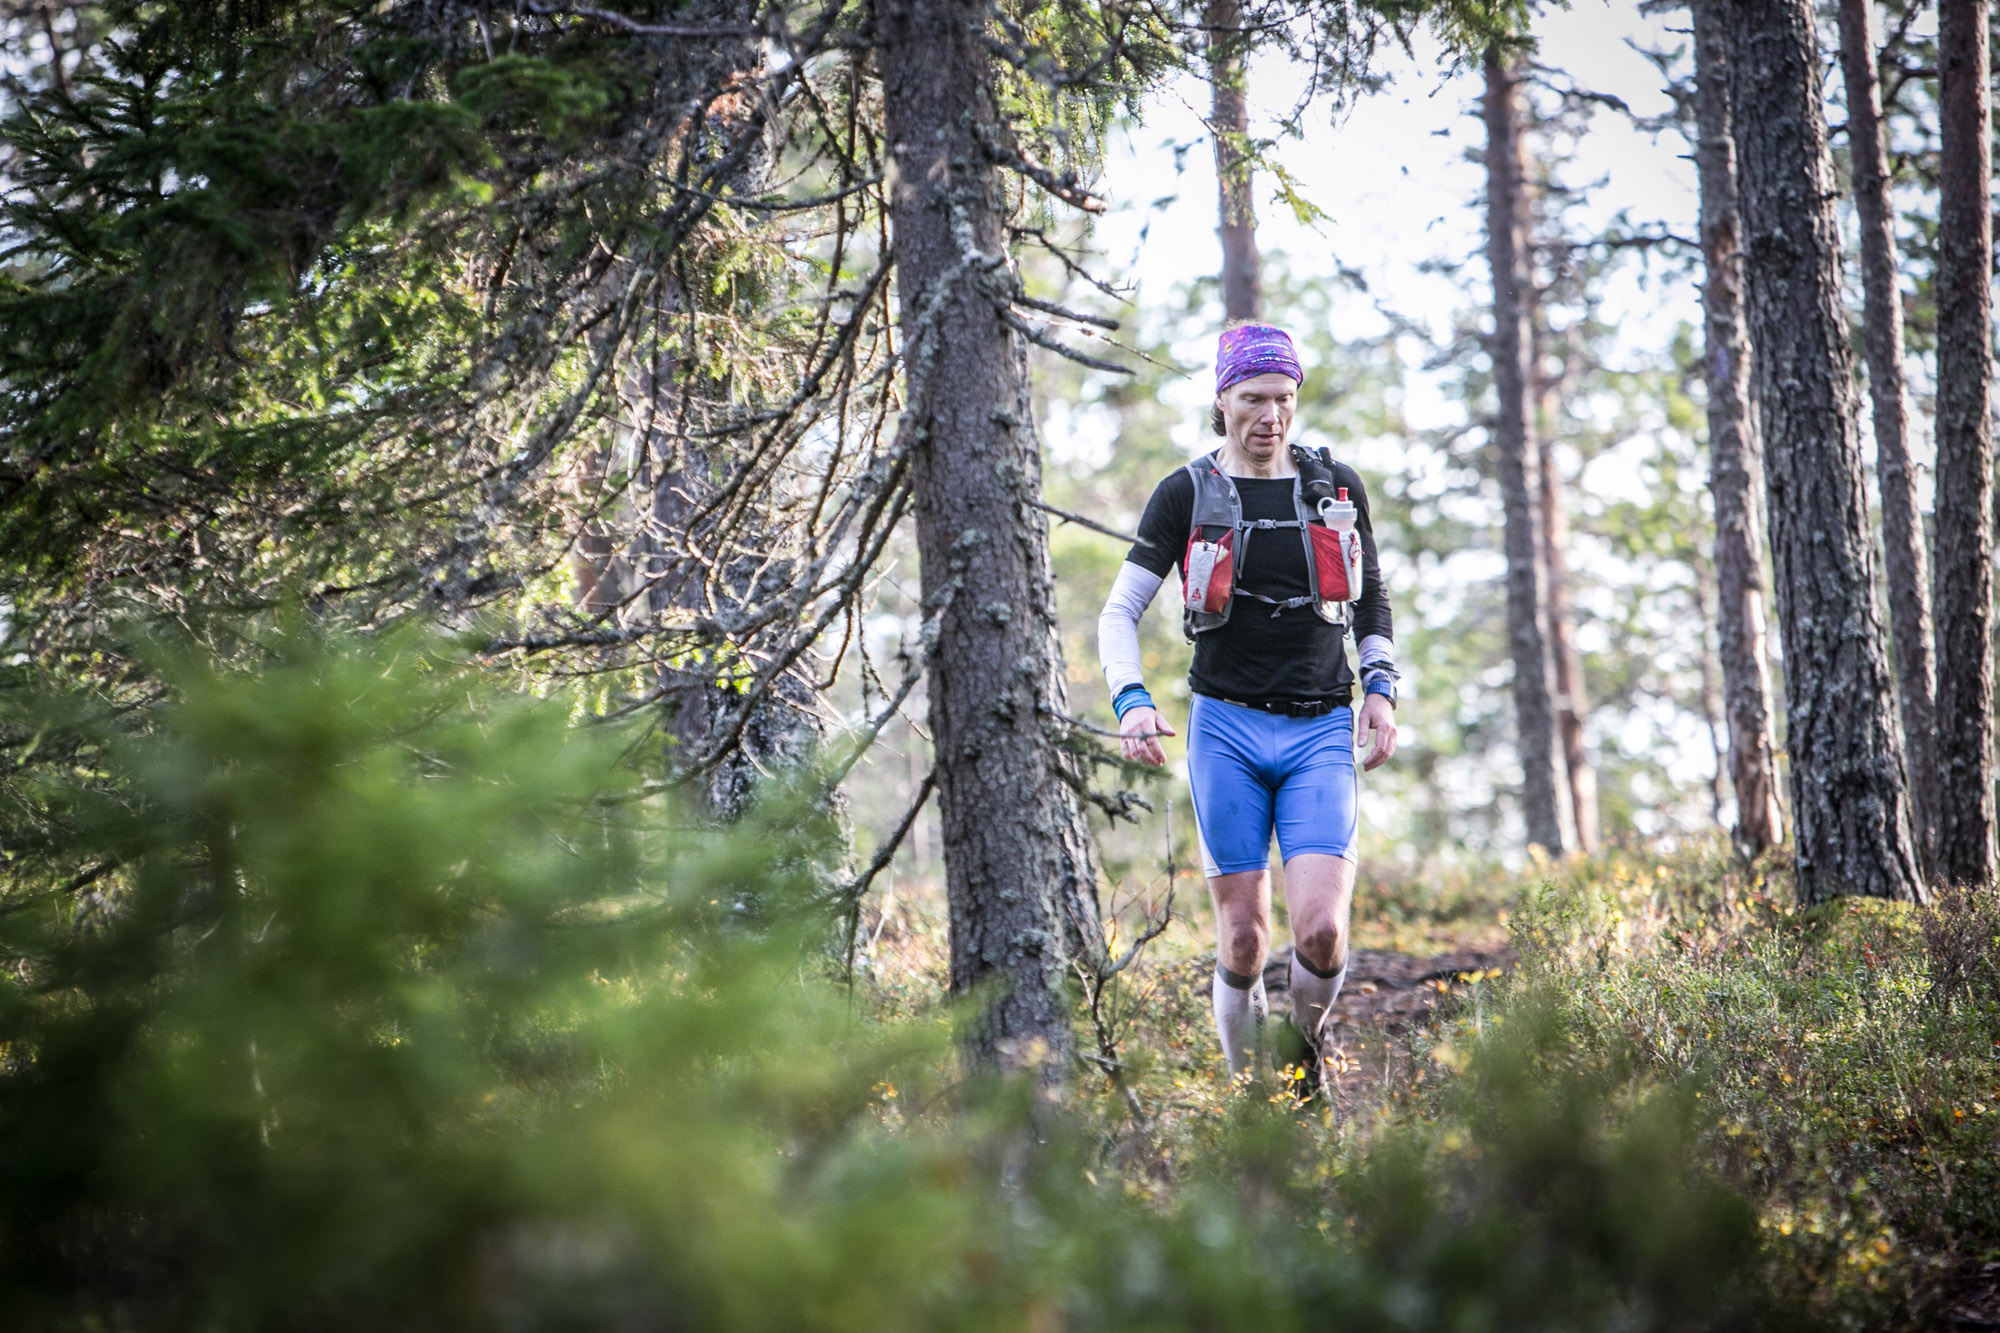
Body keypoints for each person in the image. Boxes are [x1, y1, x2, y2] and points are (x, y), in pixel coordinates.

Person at [1096, 323, 1398, 1093]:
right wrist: (1131, 700)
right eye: (1255, 398)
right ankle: (1250, 1103)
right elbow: (1118, 611)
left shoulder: (1334, 487)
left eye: (1284, 398)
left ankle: (1300, 1060)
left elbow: (1372, 599)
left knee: (1321, 930)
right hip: (1225, 730)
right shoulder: (1186, 492)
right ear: (1223, 399)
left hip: (1320, 727)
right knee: (1242, 939)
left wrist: (1380, 691)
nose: (1271, 415)